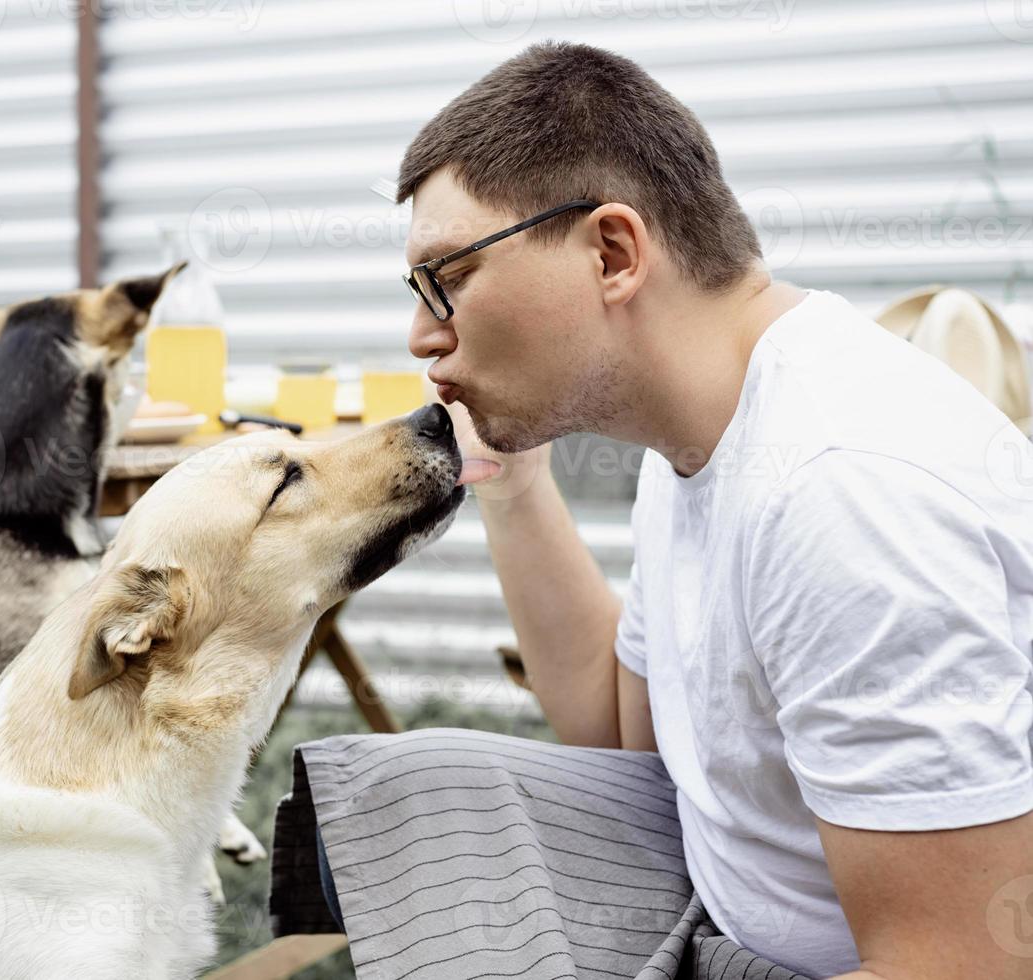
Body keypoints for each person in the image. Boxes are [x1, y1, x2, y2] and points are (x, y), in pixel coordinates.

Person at [268, 41, 1033, 980]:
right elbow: (624, 732)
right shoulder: (702, 427)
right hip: (722, 896)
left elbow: (959, 965)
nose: (423, 333)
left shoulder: (840, 496)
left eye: (448, 277)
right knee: (413, 789)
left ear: (613, 252)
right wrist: (509, 479)